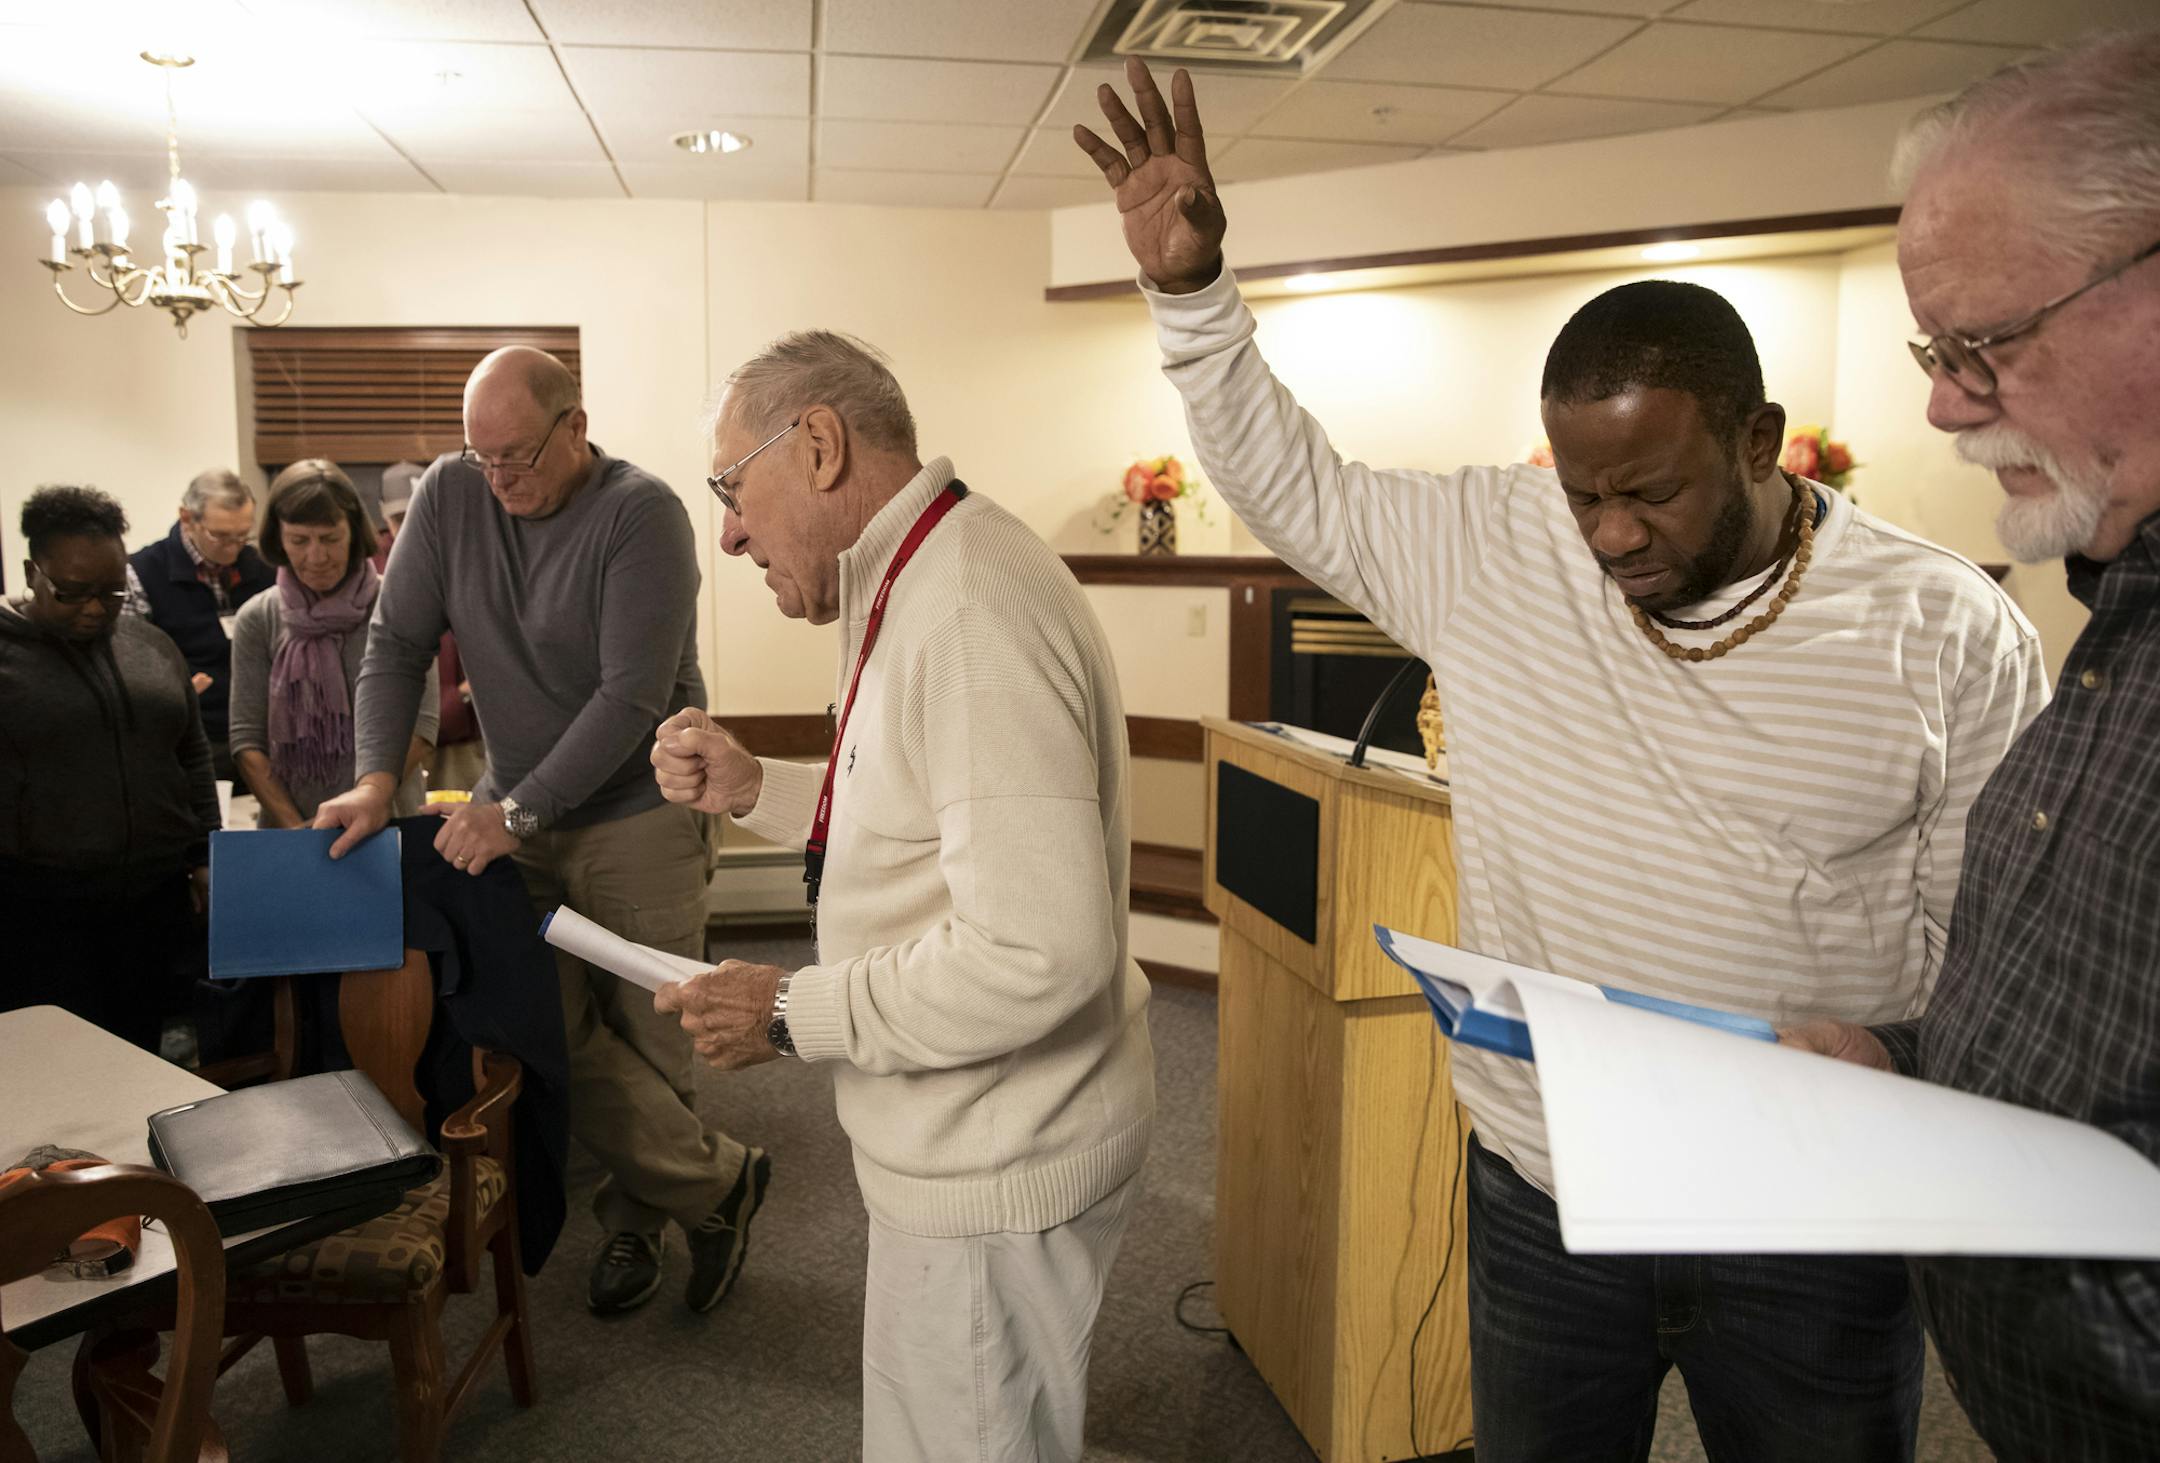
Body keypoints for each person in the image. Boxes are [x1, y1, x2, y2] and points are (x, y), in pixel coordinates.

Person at [1075, 58, 2046, 1462]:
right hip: (1549, 1187)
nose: (1607, 534)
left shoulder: (1944, 621)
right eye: (1582, 489)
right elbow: (1294, 483)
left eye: (1649, 490)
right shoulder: (1500, 548)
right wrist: (1193, 298)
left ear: (1761, 442)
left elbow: (1999, 943)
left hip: (1809, 1209)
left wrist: (1905, 1056)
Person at [649, 331, 1155, 1463]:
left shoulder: (967, 605)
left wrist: (788, 1009)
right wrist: (755, 787)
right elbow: (922, 803)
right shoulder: (925, 570)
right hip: (972, 1137)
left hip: (995, 1154)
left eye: (733, 488)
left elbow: (1039, 947)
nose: (727, 530)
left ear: (819, 444)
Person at [1780, 30, 2160, 1462]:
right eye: (1933, 353)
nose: (1943, 404)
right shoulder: (2122, 604)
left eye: (1986, 345)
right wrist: (1913, 1067)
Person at [312, 346, 764, 1318]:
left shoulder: (641, 513)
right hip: (519, 814)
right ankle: (720, 1182)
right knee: (540, 1024)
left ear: (576, 425)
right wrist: (374, 778)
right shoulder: (451, 494)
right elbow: (395, 644)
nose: (500, 478)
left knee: (652, 1030)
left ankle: (640, 1217)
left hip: (642, 810)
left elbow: (629, 696)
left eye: (518, 455)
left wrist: (515, 813)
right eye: (483, 458)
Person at [1, 486, 220, 1049]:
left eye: (112, 591)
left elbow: (191, 751)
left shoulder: (149, 645)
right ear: (32, 571)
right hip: (44, 911)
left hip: (155, 899)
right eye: (73, 593)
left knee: (149, 1053)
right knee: (66, 1066)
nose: (96, 608)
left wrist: (205, 856)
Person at [227, 459, 438, 827]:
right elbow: (247, 742)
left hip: (388, 821)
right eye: (299, 541)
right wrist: (298, 828)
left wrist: (362, 799)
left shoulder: (399, 602)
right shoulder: (257, 619)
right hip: (291, 829)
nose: (316, 556)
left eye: (330, 539)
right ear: (278, 538)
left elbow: (423, 727)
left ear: (354, 533)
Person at [124, 468, 276, 781]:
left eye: (242, 536)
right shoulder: (141, 572)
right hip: (191, 734)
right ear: (187, 518)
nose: (233, 548)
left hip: (262, 734)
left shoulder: (263, 568)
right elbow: (131, 663)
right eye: (220, 536)